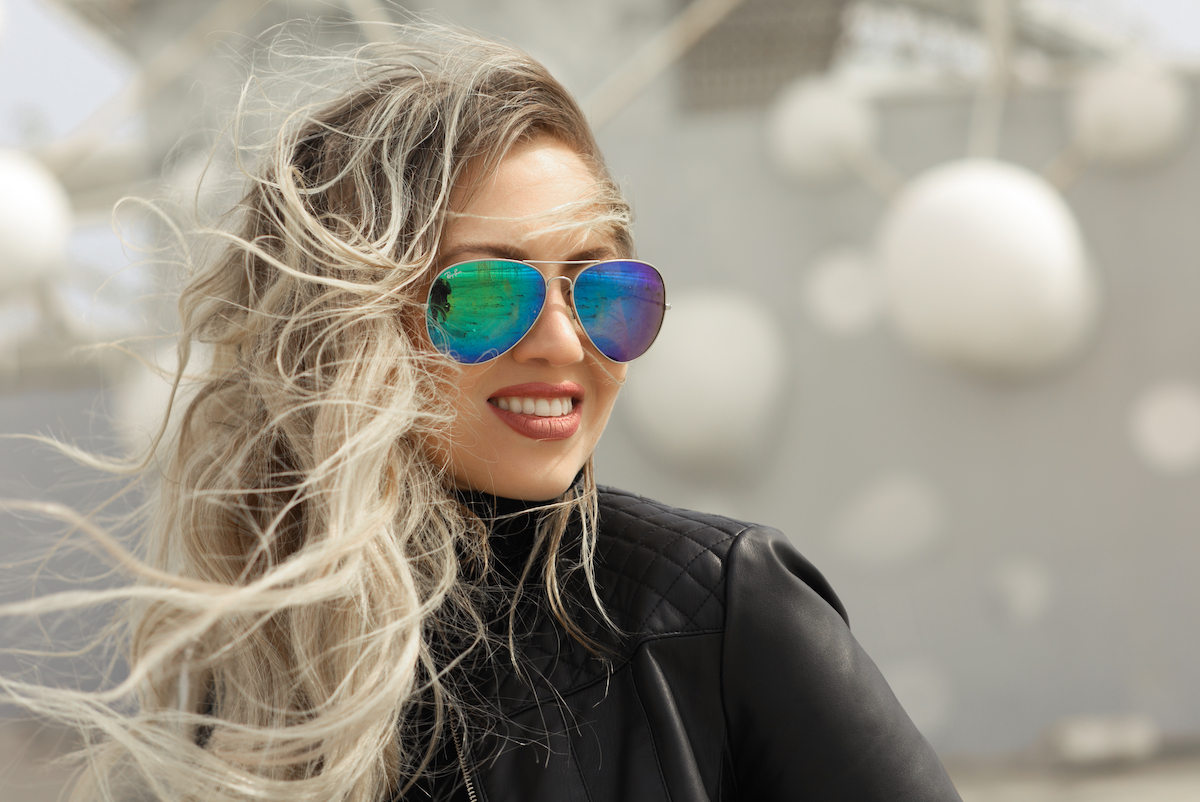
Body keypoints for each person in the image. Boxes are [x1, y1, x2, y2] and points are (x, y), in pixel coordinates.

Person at [2, 26, 961, 802]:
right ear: (339, 328)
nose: (563, 341)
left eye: (604, 292)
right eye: (483, 295)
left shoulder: (723, 616)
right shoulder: (257, 660)